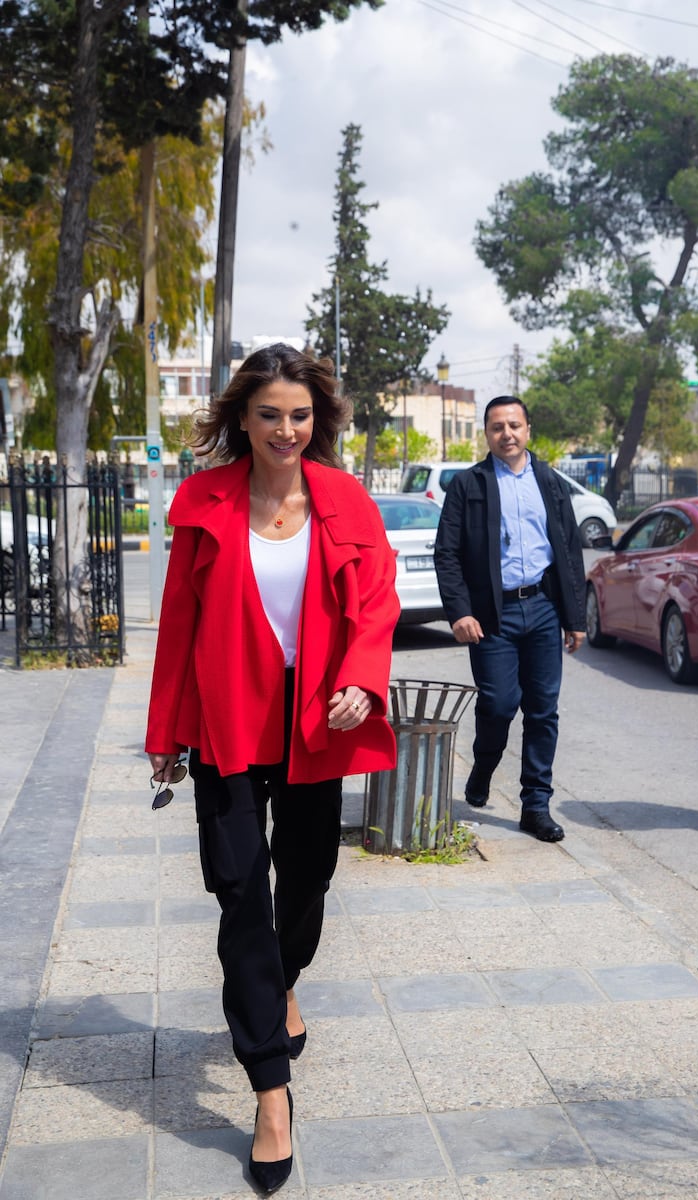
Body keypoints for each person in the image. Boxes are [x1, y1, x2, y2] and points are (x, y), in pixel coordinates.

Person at [145, 343, 399, 1193]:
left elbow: (376, 602)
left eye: (299, 415)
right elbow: (178, 621)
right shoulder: (205, 501)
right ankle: (269, 1085)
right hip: (224, 716)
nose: (285, 430)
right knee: (238, 889)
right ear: (242, 419)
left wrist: (363, 680)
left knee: (307, 881)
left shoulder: (346, 499)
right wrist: (163, 732)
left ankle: (283, 979)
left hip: (316, 717)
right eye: (269, 415)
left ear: (316, 419)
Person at [434, 396, 586, 842]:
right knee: (498, 704)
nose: (507, 434)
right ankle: (484, 766)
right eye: (498, 427)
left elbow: (570, 553)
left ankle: (535, 805)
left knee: (543, 710)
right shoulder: (469, 484)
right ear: (487, 434)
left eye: (514, 425)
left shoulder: (551, 483)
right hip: (491, 614)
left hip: (541, 607)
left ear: (528, 429)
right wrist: (459, 612)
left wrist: (574, 618)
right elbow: (447, 553)